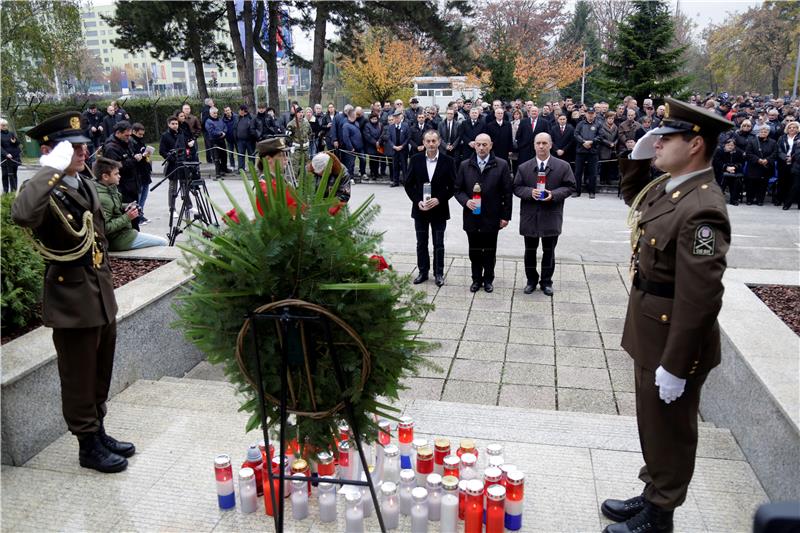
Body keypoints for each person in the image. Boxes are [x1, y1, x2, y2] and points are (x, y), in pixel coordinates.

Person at [603, 98, 733, 533]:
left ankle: (660, 517)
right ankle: (651, 492)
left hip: (672, 340)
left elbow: (700, 298)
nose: (657, 143)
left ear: (696, 145)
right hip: (649, 329)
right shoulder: (671, 186)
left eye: (666, 138)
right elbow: (635, 201)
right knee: (653, 423)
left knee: (671, 431)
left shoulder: (703, 209)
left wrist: (677, 364)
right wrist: (638, 158)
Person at [11, 111, 135, 473]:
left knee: (99, 371)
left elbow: (97, 237)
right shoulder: (44, 185)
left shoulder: (83, 183)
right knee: (79, 375)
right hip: (71, 299)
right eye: (72, 148)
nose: (82, 153)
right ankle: (86, 445)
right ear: (50, 151)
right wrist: (50, 169)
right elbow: (22, 214)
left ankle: (99, 431)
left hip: (98, 292)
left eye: (82, 146)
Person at [513, 133, 576, 296]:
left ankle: (546, 282)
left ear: (550, 145)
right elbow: (516, 187)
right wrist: (529, 192)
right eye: (538, 143)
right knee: (530, 250)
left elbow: (570, 186)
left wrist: (553, 195)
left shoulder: (563, 166)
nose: (541, 146)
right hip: (530, 215)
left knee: (549, 251)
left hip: (551, 214)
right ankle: (531, 281)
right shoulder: (524, 167)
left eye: (544, 143)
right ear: (534, 145)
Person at [454, 133, 512, 293]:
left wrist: (505, 216)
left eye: (484, 145)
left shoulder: (501, 165)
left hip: (492, 216)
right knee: (474, 250)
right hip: (471, 216)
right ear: (474, 145)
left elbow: (507, 193)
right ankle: (476, 279)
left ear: (491, 145)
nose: (481, 147)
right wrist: (466, 201)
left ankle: (488, 279)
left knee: (489, 250)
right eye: (478, 144)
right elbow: (457, 190)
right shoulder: (465, 165)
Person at [404, 130, 456, 287]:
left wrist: (439, 199)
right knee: (421, 242)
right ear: (424, 142)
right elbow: (408, 184)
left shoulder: (448, 161)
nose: (431, 144)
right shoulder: (415, 159)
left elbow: (453, 186)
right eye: (428, 141)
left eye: (434, 141)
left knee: (438, 243)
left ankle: (439, 273)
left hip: (439, 210)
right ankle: (423, 272)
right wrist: (417, 200)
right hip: (420, 210)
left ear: (439, 142)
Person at [93, 157, 167, 250]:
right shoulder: (103, 197)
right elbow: (105, 228)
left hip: (123, 235)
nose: (119, 176)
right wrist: (128, 217)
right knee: (162, 242)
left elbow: (114, 207)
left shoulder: (108, 188)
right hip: (117, 240)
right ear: (105, 177)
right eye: (116, 174)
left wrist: (127, 206)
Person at [102, 121, 141, 228]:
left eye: (130, 134)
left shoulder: (127, 143)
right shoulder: (111, 148)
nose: (129, 137)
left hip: (132, 185)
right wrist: (133, 160)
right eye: (126, 135)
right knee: (128, 216)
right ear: (118, 133)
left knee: (135, 214)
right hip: (122, 188)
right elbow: (115, 167)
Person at [744, 125, 777, 206]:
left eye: (765, 131)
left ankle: (760, 200)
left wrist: (767, 160)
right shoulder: (752, 141)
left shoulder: (773, 142)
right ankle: (749, 199)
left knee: (763, 184)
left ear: (768, 133)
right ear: (758, 132)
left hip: (766, 167)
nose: (763, 133)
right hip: (754, 166)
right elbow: (748, 153)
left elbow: (775, 153)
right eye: (761, 131)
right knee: (751, 184)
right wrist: (758, 160)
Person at [129, 123, 153, 225]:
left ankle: (140, 214)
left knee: (144, 195)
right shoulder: (131, 142)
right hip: (137, 172)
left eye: (142, 134)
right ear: (134, 131)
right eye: (139, 134)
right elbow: (133, 156)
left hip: (145, 171)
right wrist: (139, 156)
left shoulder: (140, 141)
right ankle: (137, 216)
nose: (141, 136)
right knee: (138, 196)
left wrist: (147, 155)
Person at [574, 106, 600, 197]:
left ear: (595, 114)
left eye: (592, 114)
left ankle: (592, 192)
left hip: (592, 152)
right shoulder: (580, 124)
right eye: (589, 113)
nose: (590, 115)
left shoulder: (598, 124)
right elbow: (576, 134)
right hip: (581, 151)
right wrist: (583, 142)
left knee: (592, 173)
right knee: (578, 172)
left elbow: (600, 136)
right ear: (586, 114)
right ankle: (577, 191)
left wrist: (592, 142)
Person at [713, 138, 745, 205]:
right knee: (723, 179)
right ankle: (718, 199)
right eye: (728, 145)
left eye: (732, 145)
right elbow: (716, 162)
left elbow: (741, 163)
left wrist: (734, 167)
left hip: (734, 171)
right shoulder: (719, 151)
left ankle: (734, 200)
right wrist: (726, 168)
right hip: (721, 171)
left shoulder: (738, 152)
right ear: (725, 145)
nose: (730, 146)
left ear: (734, 146)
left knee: (737, 181)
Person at [776, 121, 799, 207]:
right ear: (787, 129)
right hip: (783, 162)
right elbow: (778, 149)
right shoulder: (782, 137)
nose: (792, 129)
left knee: (792, 182)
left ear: (797, 129)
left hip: (795, 162)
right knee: (782, 181)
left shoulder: (799, 138)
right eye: (790, 127)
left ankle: (789, 200)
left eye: (794, 127)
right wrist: (785, 157)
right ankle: (779, 199)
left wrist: (792, 158)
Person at [385, 110, 410, 188]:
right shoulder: (391, 127)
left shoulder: (405, 126)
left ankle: (406, 182)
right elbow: (389, 139)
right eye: (395, 118)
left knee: (404, 166)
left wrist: (402, 146)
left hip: (403, 149)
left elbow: (408, 138)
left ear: (400, 118)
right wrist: (394, 146)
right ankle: (395, 182)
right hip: (394, 149)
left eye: (398, 118)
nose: (396, 119)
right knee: (395, 166)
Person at [287, 107, 312, 177]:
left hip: (306, 149)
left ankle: (307, 183)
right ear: (296, 114)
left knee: (307, 167)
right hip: (297, 149)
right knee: (295, 168)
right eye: (299, 113)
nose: (301, 114)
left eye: (302, 112)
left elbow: (310, 133)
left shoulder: (306, 122)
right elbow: (288, 137)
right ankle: (295, 184)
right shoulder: (291, 124)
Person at [340, 109, 364, 181]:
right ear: (351, 115)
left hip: (359, 147)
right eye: (355, 114)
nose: (356, 116)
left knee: (363, 160)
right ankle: (350, 178)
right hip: (351, 148)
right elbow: (346, 138)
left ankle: (362, 173)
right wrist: (350, 147)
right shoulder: (346, 125)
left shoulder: (356, 123)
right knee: (351, 163)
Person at [598, 113, 619, 185]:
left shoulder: (616, 127)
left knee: (610, 165)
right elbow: (601, 138)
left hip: (613, 148)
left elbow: (617, 137)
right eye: (609, 118)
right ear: (606, 119)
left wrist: (614, 143)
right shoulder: (601, 127)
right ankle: (602, 179)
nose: (611, 120)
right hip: (604, 148)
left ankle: (608, 180)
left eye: (612, 118)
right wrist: (608, 143)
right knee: (604, 165)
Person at [1, 118, 21, 193]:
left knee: (14, 174)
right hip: (5, 159)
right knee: (5, 175)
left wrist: (15, 141)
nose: (5, 127)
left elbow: (18, 143)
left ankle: (14, 191)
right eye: (3, 125)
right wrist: (6, 154)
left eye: (6, 125)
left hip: (14, 157)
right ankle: (5, 192)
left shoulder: (11, 133)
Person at [362, 112, 383, 181]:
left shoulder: (380, 125)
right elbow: (367, 136)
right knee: (372, 159)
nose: (374, 120)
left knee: (377, 159)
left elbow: (382, 134)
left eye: (375, 119)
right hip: (371, 145)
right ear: (370, 119)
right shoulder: (367, 125)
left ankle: (376, 173)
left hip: (379, 145)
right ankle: (372, 173)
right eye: (373, 119)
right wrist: (375, 142)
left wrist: (379, 142)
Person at [235, 105, 255, 172]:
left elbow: (253, 129)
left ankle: (252, 169)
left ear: (242, 110)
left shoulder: (251, 118)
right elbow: (235, 128)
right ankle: (241, 169)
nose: (238, 112)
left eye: (239, 110)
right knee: (240, 155)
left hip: (250, 141)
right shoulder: (238, 118)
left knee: (251, 155)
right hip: (240, 141)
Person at [222, 106, 237, 170]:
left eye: (228, 110)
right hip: (229, 139)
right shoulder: (223, 119)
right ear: (224, 112)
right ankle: (232, 165)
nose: (227, 112)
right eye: (226, 111)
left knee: (240, 153)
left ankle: (241, 166)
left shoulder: (236, 117)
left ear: (230, 110)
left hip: (237, 138)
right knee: (230, 153)